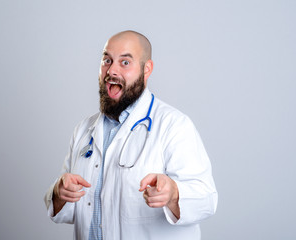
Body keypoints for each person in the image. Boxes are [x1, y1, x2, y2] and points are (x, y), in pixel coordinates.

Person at [44, 30, 218, 240]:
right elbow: (70, 210)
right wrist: (59, 193)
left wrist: (173, 194)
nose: (112, 70)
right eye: (107, 60)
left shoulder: (174, 125)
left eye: (125, 62)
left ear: (147, 69)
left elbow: (207, 200)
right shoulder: (83, 129)